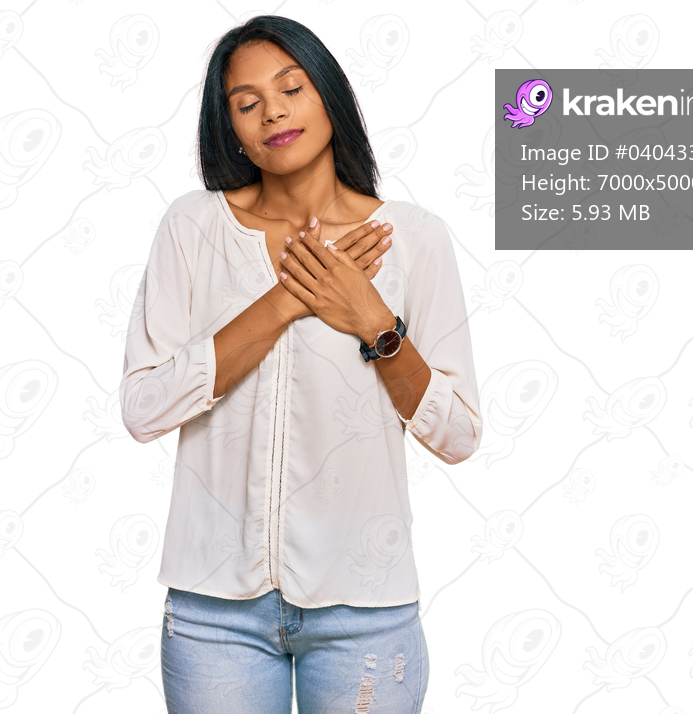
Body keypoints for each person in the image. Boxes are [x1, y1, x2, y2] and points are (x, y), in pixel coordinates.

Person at [120, 14, 483, 714]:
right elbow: (143, 410)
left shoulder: (414, 239)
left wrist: (373, 321)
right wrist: (288, 298)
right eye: (246, 103)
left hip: (366, 611)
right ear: (229, 129)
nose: (273, 112)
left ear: (330, 97)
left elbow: (459, 435)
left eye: (292, 87)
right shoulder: (193, 229)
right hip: (213, 613)